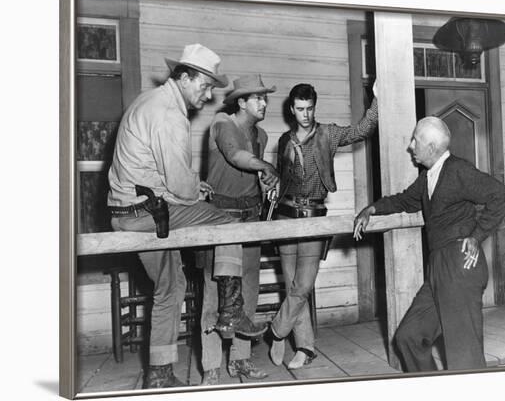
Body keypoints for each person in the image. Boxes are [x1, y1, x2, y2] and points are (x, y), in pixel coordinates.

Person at [107, 44, 266, 389]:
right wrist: (194, 189)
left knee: (171, 287)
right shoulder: (169, 112)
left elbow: (165, 178)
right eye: (205, 86)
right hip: (148, 214)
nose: (209, 96)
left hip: (131, 209)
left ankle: (160, 374)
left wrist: (193, 188)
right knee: (227, 223)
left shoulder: (149, 101)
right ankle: (230, 309)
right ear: (183, 77)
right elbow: (180, 184)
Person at [353, 116, 505, 372]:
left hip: (459, 265)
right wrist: (371, 209)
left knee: (464, 357)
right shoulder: (430, 176)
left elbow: (501, 195)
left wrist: (477, 235)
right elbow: (405, 200)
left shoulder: (458, 170)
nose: (410, 145)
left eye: (415, 140)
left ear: (430, 146)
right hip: (438, 268)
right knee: (409, 337)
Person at [269, 82, 379, 369]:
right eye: (300, 109)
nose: (305, 115)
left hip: (314, 218)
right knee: (292, 285)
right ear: (292, 109)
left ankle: (277, 331)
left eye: (310, 109)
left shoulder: (328, 133)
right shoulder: (283, 140)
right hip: (285, 217)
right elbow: (281, 179)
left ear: (315, 108)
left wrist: (377, 99)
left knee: (303, 286)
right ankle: (304, 348)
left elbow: (361, 130)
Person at [199, 74, 279, 385]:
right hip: (219, 217)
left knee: (248, 289)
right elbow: (235, 155)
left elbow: (254, 173)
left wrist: (269, 184)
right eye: (257, 97)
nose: (264, 102)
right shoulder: (222, 123)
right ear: (241, 102)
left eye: (265, 97)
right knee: (214, 291)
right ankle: (211, 367)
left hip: (251, 217)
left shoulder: (261, 136)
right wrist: (267, 167)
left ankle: (241, 362)